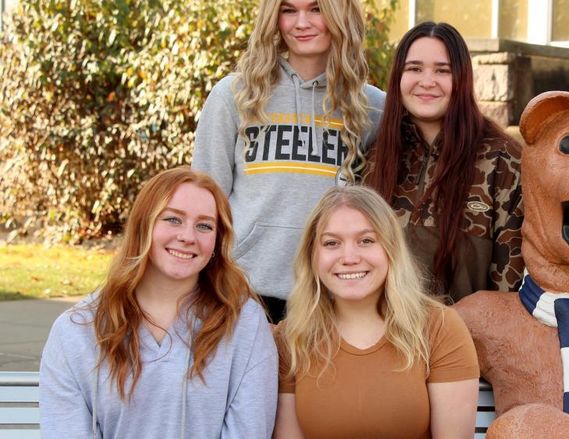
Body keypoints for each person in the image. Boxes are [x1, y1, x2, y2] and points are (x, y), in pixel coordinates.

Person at [39, 167, 278, 439]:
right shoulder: (76, 331)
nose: (188, 236)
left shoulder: (245, 324)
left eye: (204, 225)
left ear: (217, 241)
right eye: (173, 219)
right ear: (143, 226)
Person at [192, 0, 386, 322]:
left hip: (333, 296)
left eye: (315, 9)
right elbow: (204, 201)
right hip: (243, 291)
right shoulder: (235, 94)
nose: (301, 23)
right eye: (288, 10)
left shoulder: (372, 107)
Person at [273, 185, 479, 439]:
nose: (349, 257)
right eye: (331, 243)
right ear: (312, 256)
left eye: (366, 241)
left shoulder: (439, 328)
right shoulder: (292, 339)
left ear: (391, 250)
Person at [365, 22, 523, 303]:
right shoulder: (375, 160)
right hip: (386, 338)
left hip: (472, 340)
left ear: (461, 79)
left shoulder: (502, 160)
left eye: (442, 70)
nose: (427, 81)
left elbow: (510, 287)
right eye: (414, 68)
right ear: (398, 78)